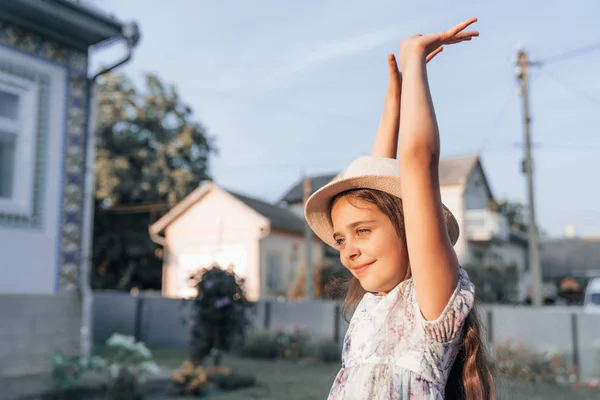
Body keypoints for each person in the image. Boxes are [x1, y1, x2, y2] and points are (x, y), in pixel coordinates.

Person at [304, 18, 495, 400]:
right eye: (341, 238)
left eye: (361, 232)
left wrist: (414, 62)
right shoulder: (376, 306)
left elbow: (417, 161)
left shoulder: (430, 305)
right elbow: (379, 178)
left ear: (411, 227)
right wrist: (394, 101)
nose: (347, 251)